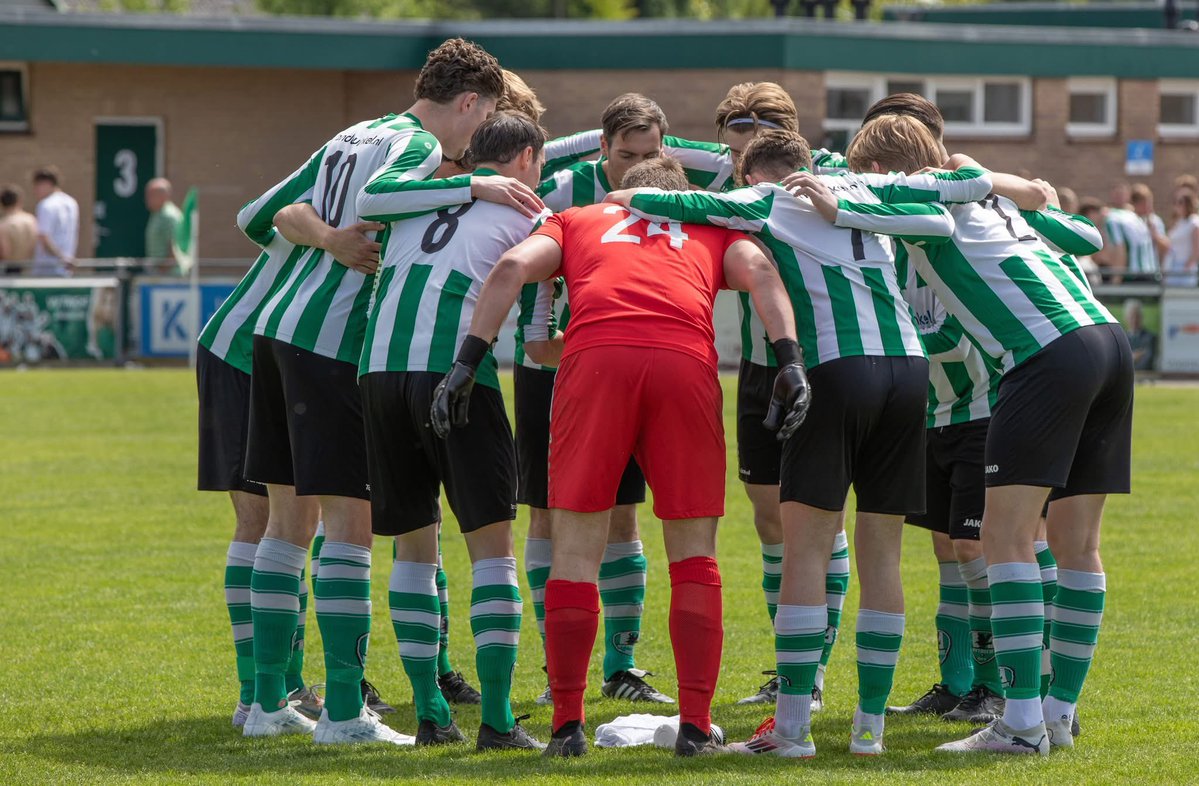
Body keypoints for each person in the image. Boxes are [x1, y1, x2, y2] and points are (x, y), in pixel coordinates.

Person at [609, 130, 993, 758]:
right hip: (908, 371)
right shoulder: (860, 187)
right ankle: (868, 730)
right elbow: (941, 216)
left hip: (837, 369)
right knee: (883, 553)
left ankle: (792, 729)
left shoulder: (761, 197)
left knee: (807, 549)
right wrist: (846, 210)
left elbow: (651, 202)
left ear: (748, 172)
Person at [437, 156, 809, 758]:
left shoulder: (578, 217)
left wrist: (467, 360)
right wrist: (789, 358)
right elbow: (763, 273)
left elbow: (510, 266)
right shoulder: (710, 225)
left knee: (577, 549)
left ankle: (565, 725)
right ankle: (694, 725)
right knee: (694, 556)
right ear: (680, 196)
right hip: (683, 360)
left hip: (595, 361)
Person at [237, 37, 535, 745]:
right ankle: (343, 711)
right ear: (468, 103)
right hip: (335, 340)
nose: (477, 138)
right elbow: (379, 197)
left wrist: (331, 238)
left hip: (277, 330)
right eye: (484, 115)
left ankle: (264, 702)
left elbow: (264, 214)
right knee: (348, 527)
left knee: (286, 525)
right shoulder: (416, 145)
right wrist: (471, 185)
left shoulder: (355, 131)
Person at [840, 114, 1132, 756]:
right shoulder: (981, 190)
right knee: (1077, 543)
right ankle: (1057, 713)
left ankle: (1021, 722)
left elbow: (861, 198)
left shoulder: (918, 193)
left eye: (869, 175)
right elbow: (1064, 221)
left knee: (1005, 540)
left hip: (1042, 354)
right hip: (1107, 341)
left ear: (886, 171)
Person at [521, 93, 736, 706]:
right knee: (552, 514)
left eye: (651, 150)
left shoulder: (677, 187)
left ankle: (621, 664)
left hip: (626, 359)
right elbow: (528, 268)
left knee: (625, 513)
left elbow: (733, 159)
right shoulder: (563, 190)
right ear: (602, 148)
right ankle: (554, 668)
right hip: (567, 360)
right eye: (625, 153)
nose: (636, 163)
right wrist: (550, 342)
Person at [356, 111, 549, 751]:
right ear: (525, 156)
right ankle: (496, 718)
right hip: (455, 375)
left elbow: (372, 202)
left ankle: (432, 713)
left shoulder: (419, 202)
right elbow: (538, 323)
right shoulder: (530, 214)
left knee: (413, 547)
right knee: (492, 549)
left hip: (380, 372)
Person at [701, 82, 850, 711]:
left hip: (828, 360)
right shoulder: (726, 187)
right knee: (768, 518)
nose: (743, 148)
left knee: (816, 522)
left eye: (757, 133)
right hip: (761, 367)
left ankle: (810, 675)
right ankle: (787, 666)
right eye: (734, 136)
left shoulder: (835, 175)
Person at [1096, 182, 1156, 283]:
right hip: (1150, 275)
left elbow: (1120, 249)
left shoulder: (1112, 219)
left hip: (1131, 278)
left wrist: (1115, 281)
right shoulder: (1135, 217)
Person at [30, 167, 78, 277]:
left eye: (37, 186)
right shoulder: (71, 203)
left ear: (47, 183)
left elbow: (44, 237)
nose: (35, 190)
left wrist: (61, 258)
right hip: (66, 268)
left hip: (47, 269)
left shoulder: (46, 205)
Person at [144, 178, 183, 271]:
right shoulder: (157, 213)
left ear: (164, 196)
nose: (147, 199)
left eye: (151, 195)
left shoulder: (169, 216)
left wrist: (163, 269)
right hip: (158, 272)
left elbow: (176, 247)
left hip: (169, 276)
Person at [0, 184, 38, 273]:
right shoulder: (31, 220)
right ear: (19, 200)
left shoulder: (3, 224)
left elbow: (4, 252)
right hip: (29, 268)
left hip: (9, 270)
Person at [1165, 190, 1199, 286]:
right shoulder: (1179, 222)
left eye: (1180, 202)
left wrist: (1188, 266)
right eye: (1175, 202)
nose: (1177, 206)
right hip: (1172, 264)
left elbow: (1197, 249)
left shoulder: (1194, 222)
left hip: (1186, 267)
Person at [1123, 298, 1157, 370]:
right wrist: (1133, 357)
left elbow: (1147, 363)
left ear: (1141, 318)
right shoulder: (1121, 339)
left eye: (1137, 317)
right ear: (1126, 318)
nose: (1134, 320)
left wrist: (1128, 360)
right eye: (1131, 317)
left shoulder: (1150, 338)